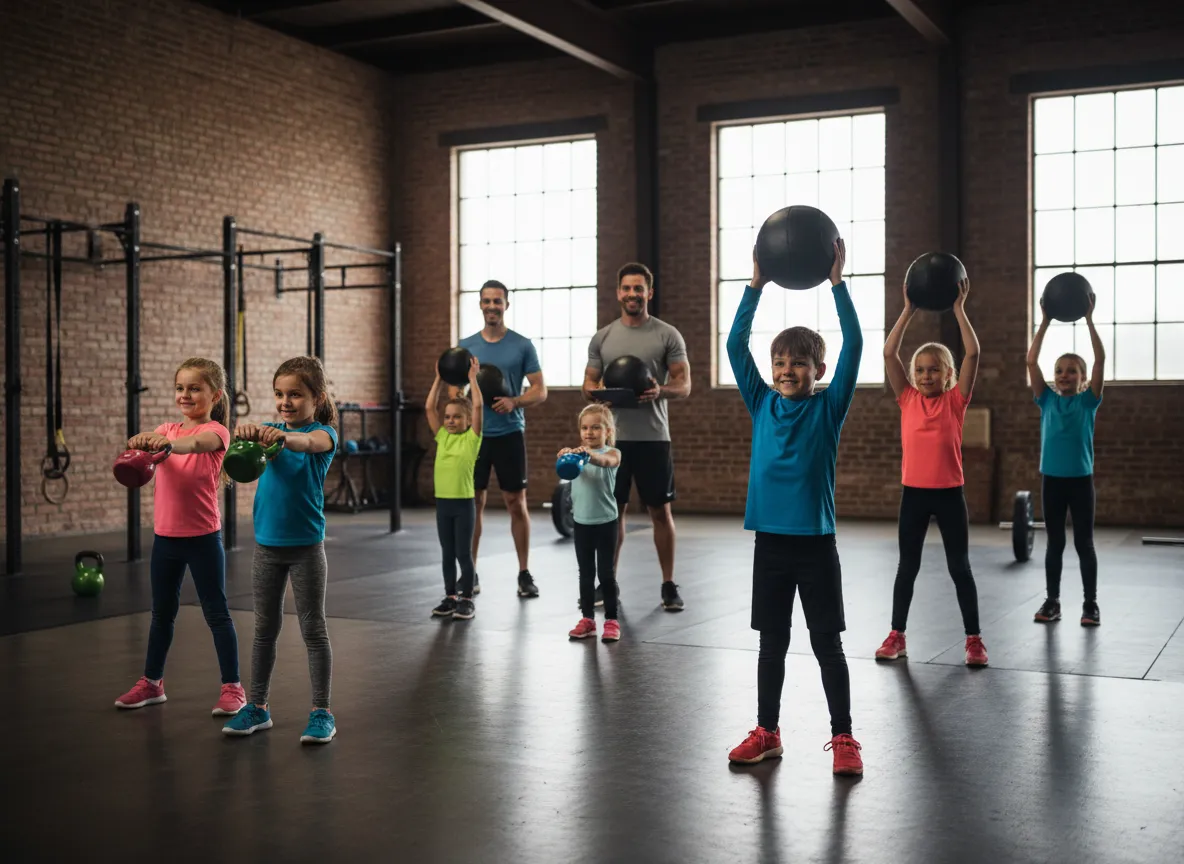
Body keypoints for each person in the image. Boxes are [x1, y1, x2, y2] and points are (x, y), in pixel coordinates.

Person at [725, 242, 864, 776]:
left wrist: (838, 283)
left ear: (818, 369)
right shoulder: (761, 403)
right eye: (780, 363)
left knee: (827, 643)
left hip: (815, 544)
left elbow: (854, 342)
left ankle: (844, 737)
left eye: (798, 364)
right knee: (772, 643)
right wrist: (754, 286)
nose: (786, 370)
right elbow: (736, 343)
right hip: (772, 545)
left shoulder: (830, 407)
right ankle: (768, 732)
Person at [114, 358, 244, 718]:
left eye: (194, 388)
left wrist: (164, 443)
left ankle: (233, 688)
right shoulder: (165, 428)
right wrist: (139, 443)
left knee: (216, 613)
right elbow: (141, 458)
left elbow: (193, 445)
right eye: (180, 388)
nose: (185, 395)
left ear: (214, 395)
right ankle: (152, 683)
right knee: (162, 614)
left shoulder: (217, 431)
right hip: (165, 540)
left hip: (203, 538)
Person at [222, 356, 339, 744]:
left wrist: (280, 437)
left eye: (295, 395)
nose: (285, 402)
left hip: (306, 548)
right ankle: (257, 706)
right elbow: (236, 456)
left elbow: (307, 443)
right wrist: (245, 433)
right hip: (266, 548)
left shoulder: (324, 434)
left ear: (316, 398)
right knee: (264, 630)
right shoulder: (268, 431)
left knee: (313, 629)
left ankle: (321, 711)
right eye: (278, 394)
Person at [875, 277, 987, 667]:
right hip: (915, 495)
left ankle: (974, 640)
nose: (925, 376)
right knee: (908, 566)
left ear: (948, 374)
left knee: (960, 567)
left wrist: (958, 309)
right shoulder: (906, 399)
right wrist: (907, 310)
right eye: (919, 370)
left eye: (933, 370)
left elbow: (973, 353)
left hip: (950, 494)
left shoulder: (957, 401)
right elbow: (889, 353)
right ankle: (897, 635)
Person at [583, 263, 691, 612]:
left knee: (661, 511)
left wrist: (660, 390)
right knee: (613, 514)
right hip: (612, 442)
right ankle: (607, 584)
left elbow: (684, 385)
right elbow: (588, 384)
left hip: (653, 437)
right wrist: (596, 392)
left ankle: (669, 584)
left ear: (649, 292)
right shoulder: (603, 337)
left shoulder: (667, 335)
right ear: (618, 293)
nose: (632, 294)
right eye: (626, 288)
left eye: (639, 288)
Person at [458, 280, 547, 599]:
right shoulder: (466, 346)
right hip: (476, 437)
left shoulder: (522, 346)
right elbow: (456, 391)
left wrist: (515, 401)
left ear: (506, 305)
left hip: (510, 432)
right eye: (486, 301)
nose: (492, 306)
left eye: (498, 301)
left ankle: (524, 573)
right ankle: (469, 571)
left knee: (515, 502)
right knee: (474, 504)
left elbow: (540, 390)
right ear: (479, 305)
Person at [1027, 296, 1104, 626]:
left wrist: (1089, 319)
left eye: (1071, 371)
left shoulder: (1089, 402)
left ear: (1083, 378)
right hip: (1053, 481)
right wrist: (1044, 321)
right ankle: (1053, 601)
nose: (1063, 375)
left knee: (1084, 543)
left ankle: (1090, 605)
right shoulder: (1045, 400)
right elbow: (1031, 362)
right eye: (1059, 370)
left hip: (1080, 481)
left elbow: (1100, 359)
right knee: (1054, 543)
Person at [425, 356, 483, 620]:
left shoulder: (472, 441)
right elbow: (429, 409)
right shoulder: (443, 438)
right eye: (447, 417)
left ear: (468, 420)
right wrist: (439, 378)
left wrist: (472, 380)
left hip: (463, 504)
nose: (449, 421)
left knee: (463, 553)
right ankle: (450, 596)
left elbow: (479, 408)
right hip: (443, 504)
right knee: (447, 553)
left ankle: (467, 598)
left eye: (457, 418)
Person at [562, 403, 622, 642]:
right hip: (582, 523)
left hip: (606, 522)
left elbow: (605, 462)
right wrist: (566, 456)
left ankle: (611, 620)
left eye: (596, 427)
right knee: (585, 574)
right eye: (585, 428)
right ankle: (587, 620)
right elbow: (567, 471)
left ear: (607, 431)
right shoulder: (578, 455)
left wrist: (587, 455)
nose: (589, 432)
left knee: (606, 573)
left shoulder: (613, 453)